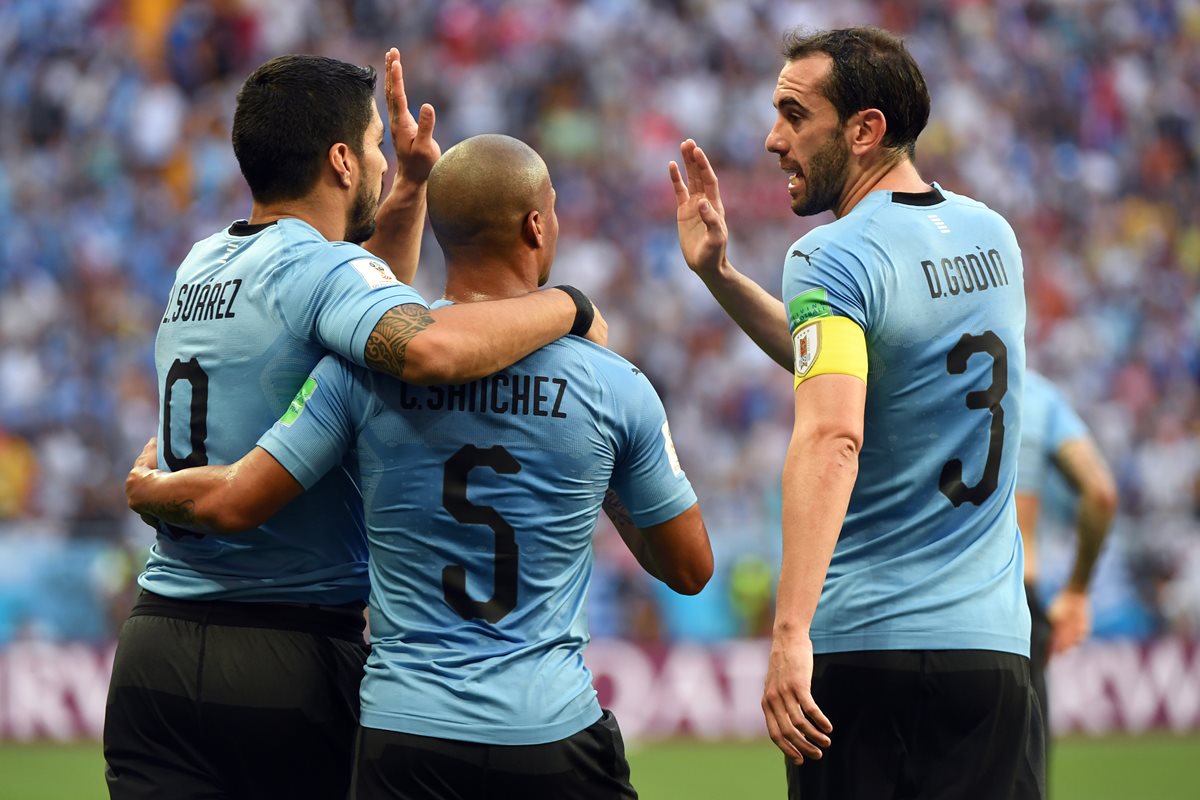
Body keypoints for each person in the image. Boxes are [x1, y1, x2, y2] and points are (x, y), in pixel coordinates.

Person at [126, 133, 713, 800]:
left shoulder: (358, 375)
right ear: (536, 224)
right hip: (550, 729)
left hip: (404, 734)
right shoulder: (614, 384)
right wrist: (603, 480)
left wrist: (153, 490)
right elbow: (689, 569)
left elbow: (239, 496)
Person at [669, 26, 1042, 798]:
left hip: (869, 653)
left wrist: (788, 633)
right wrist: (721, 276)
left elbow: (834, 430)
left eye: (794, 115)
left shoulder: (830, 254)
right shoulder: (994, 237)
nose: (774, 139)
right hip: (993, 657)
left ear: (865, 129)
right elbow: (858, 357)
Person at [1018, 370, 1118, 745]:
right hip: (1016, 607)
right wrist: (1076, 591)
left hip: (920, 602)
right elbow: (1101, 493)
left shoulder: (917, 374)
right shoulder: (1040, 396)